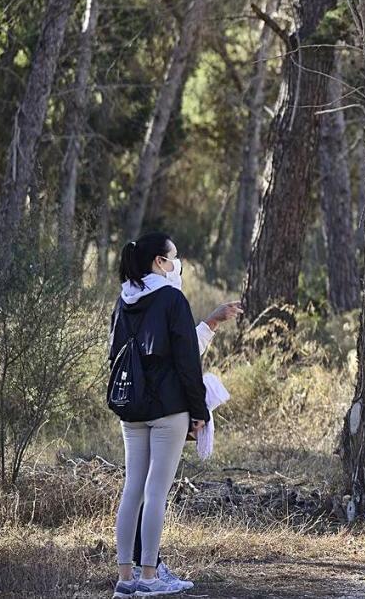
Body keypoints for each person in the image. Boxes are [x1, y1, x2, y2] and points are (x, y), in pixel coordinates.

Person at [109, 232, 242, 599]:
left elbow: (115, 356)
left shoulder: (124, 300)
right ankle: (150, 576)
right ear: (159, 261)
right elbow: (186, 361)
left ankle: (125, 578)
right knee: (155, 491)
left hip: (131, 408)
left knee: (132, 488)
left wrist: (210, 322)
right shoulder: (171, 298)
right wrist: (199, 413)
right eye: (173, 257)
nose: (177, 263)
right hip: (169, 410)